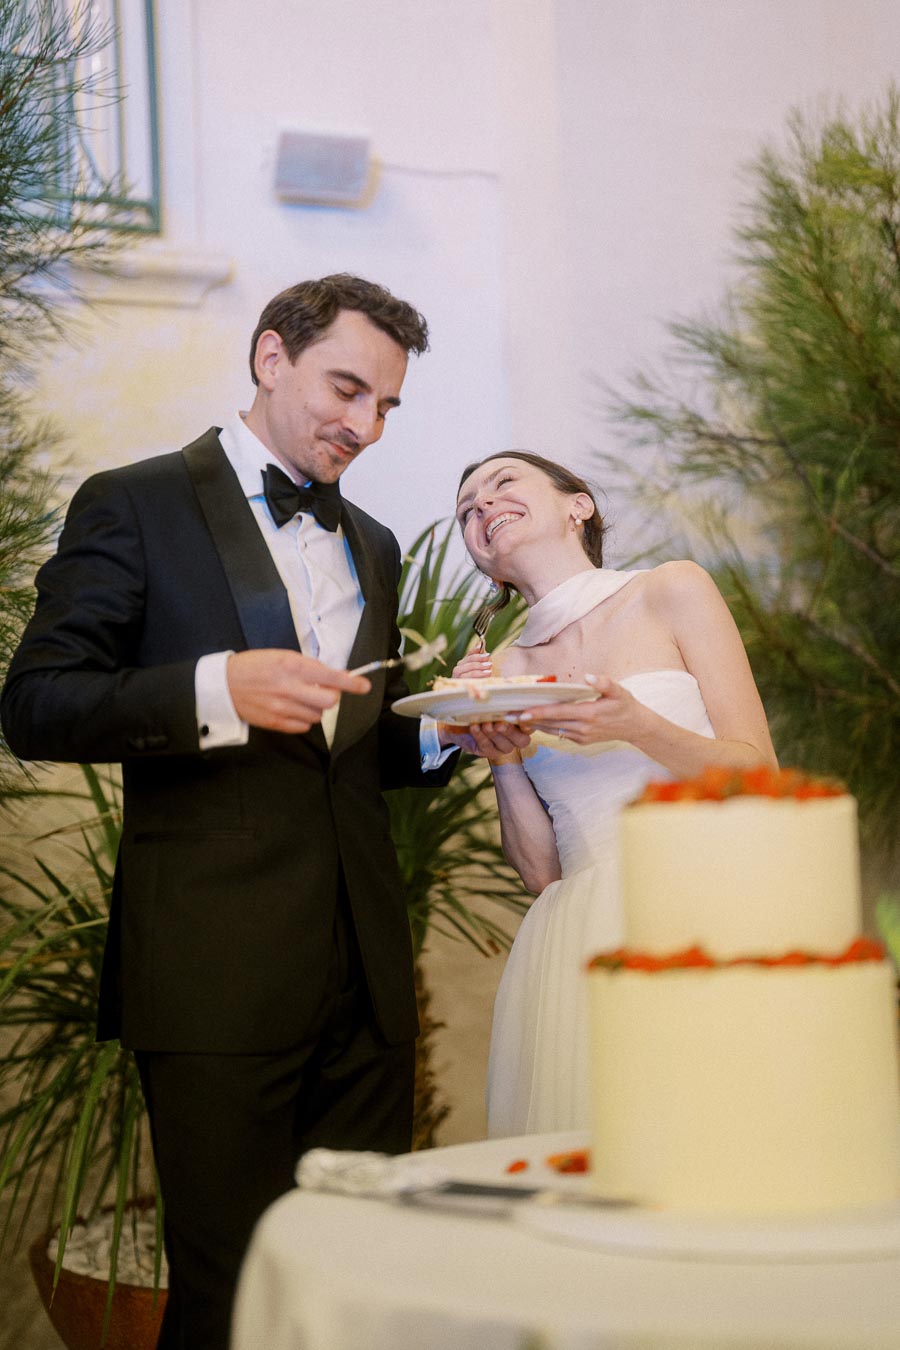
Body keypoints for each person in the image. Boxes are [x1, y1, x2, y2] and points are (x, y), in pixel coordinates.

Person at [0, 274, 465, 1349]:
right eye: (347, 388)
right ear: (270, 357)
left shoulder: (379, 546)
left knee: (352, 1292)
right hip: (215, 977)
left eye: (387, 405)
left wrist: (448, 734)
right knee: (232, 1297)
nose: (365, 425)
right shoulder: (134, 501)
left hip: (367, 984)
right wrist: (217, 690)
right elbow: (33, 705)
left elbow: (346, 752)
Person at [451, 450, 777, 1137]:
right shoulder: (506, 669)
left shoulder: (671, 590)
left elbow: (764, 778)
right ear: (484, 560)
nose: (482, 506)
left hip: (707, 903)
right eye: (466, 510)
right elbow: (541, 872)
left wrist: (640, 726)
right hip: (579, 936)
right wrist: (505, 761)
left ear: (579, 506)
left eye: (503, 484)